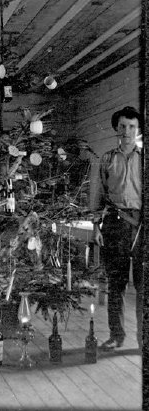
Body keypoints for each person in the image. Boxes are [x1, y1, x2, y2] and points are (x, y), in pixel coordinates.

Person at [92, 106, 143, 350]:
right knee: (116, 284)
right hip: (114, 224)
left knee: (144, 286)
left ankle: (144, 340)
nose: (127, 131)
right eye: (122, 126)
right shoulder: (107, 159)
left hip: (141, 227)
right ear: (116, 128)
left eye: (132, 127)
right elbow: (98, 195)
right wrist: (96, 226)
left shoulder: (144, 160)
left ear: (138, 129)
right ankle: (116, 336)